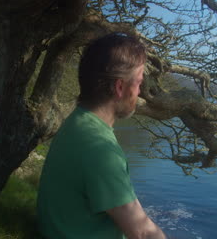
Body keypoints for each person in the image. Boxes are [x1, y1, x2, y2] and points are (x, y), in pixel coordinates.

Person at [37, 33, 166, 239]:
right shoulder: (100, 149)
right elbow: (143, 233)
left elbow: (126, 203)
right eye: (139, 83)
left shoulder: (79, 123)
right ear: (120, 87)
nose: (140, 91)